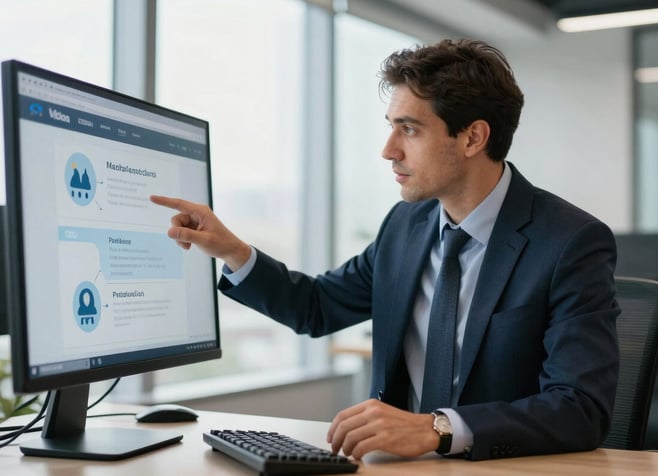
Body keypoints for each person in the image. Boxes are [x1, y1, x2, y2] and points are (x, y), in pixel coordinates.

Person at [150, 38, 619, 461]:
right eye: (391, 127)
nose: (388, 149)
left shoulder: (570, 242)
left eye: (409, 129)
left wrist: (437, 429)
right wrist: (233, 250)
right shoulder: (405, 226)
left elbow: (579, 408)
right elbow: (317, 307)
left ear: (473, 137)